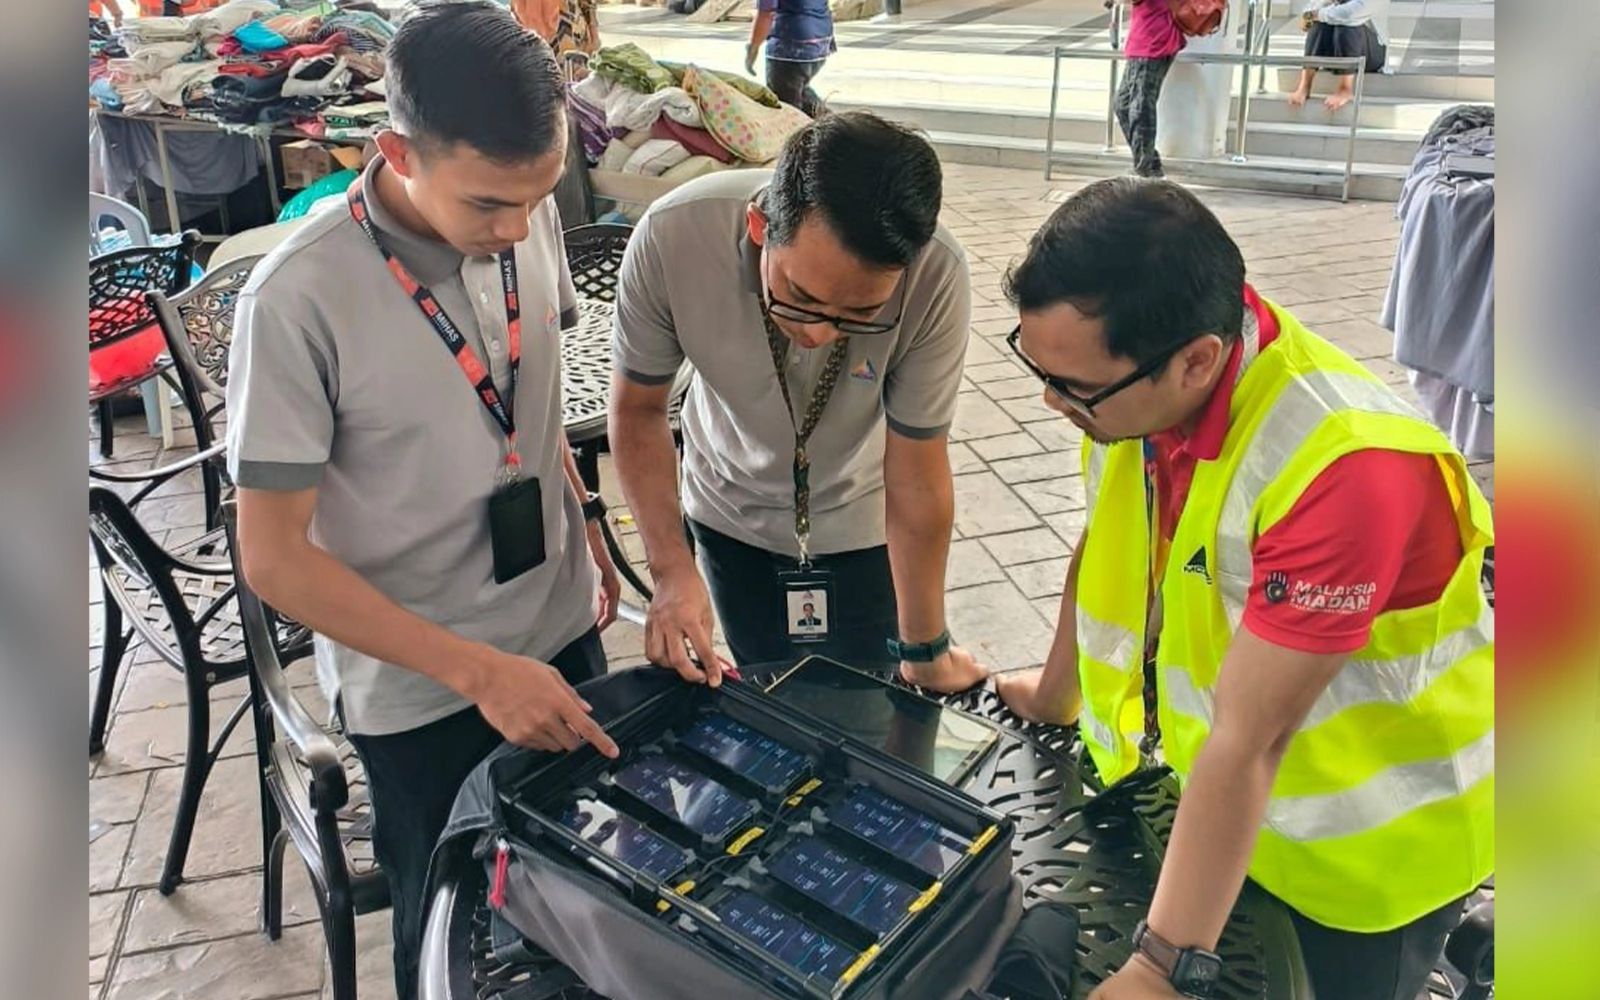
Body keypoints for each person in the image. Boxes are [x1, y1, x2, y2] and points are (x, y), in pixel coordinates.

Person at [995, 178, 1493, 1000]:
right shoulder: (1144, 389)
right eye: (1037, 367)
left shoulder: (1348, 467)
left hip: (1368, 854)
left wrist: (1160, 965)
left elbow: (1252, 736)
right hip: (1230, 816)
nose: (1053, 402)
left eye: (1074, 388)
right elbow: (1115, 542)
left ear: (1196, 358)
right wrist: (1058, 693)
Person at [226, 3, 624, 997]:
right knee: (450, 926)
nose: (518, 229)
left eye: (537, 198)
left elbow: (531, 421)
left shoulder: (519, 221)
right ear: (395, 149)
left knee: (580, 894)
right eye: (490, 205)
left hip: (559, 628)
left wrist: (590, 525)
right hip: (423, 685)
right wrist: (477, 670)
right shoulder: (295, 301)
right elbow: (272, 558)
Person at [609, 111, 988, 693]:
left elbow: (917, 466)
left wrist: (926, 646)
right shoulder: (672, 237)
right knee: (766, 699)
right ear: (760, 226)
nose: (819, 333)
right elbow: (638, 409)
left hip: (863, 526)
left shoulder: (937, 272)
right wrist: (670, 568)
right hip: (727, 511)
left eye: (860, 315)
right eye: (799, 298)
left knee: (873, 709)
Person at [1113, 0, 1185, 178]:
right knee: (1124, 105)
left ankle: (1146, 172)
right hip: (1148, 35)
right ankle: (1150, 165)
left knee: (1140, 109)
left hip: (1153, 40)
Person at [1289, 0, 1388, 110]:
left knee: (1346, 23)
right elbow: (1309, 10)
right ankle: (1305, 85)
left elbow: (1351, 14)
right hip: (1337, 48)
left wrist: (1314, 15)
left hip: (1371, 53)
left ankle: (1345, 88)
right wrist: (1314, 12)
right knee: (1319, 24)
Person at [746, 0, 836, 118]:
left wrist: (753, 47)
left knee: (784, 106)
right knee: (800, 90)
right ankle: (836, 126)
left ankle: (832, 128)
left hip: (791, 44)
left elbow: (766, 14)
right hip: (822, 39)